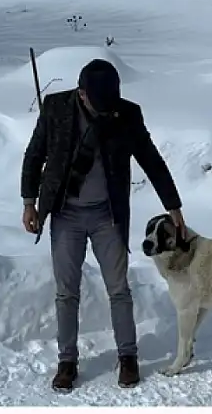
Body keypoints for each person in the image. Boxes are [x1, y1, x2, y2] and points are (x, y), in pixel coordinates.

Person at [21, 58, 187, 392]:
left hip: (106, 216)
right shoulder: (56, 108)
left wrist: (174, 208)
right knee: (66, 292)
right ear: (81, 94)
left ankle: (128, 356)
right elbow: (35, 154)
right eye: (99, 104)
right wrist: (29, 202)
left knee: (118, 289)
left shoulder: (126, 114)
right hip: (66, 214)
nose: (105, 110)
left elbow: (151, 161)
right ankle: (67, 361)